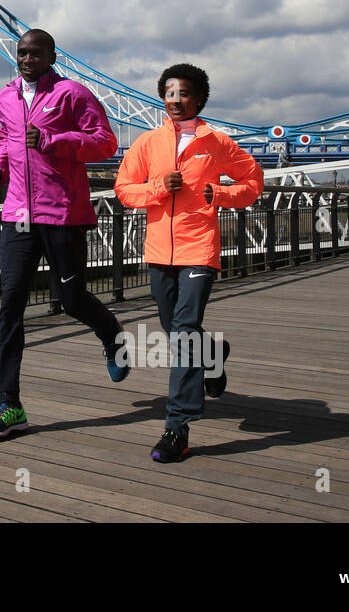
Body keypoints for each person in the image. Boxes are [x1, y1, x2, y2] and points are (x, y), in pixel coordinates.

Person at [0, 29, 123, 439]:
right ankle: (9, 403)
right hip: (18, 215)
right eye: (21, 53)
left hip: (62, 213)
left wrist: (54, 140)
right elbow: (7, 140)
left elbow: (105, 143)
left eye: (35, 53)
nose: (26, 59)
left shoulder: (73, 94)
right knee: (10, 305)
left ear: (51, 56)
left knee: (71, 298)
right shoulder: (5, 97)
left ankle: (111, 335)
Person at [114, 64, 264, 463]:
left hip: (199, 249)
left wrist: (221, 194)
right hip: (159, 251)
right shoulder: (147, 143)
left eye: (182, 94)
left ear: (199, 99)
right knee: (174, 329)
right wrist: (159, 187)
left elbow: (253, 181)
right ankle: (212, 355)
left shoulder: (216, 142)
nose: (174, 101)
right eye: (168, 93)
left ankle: (176, 428)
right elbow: (124, 190)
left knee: (182, 332)